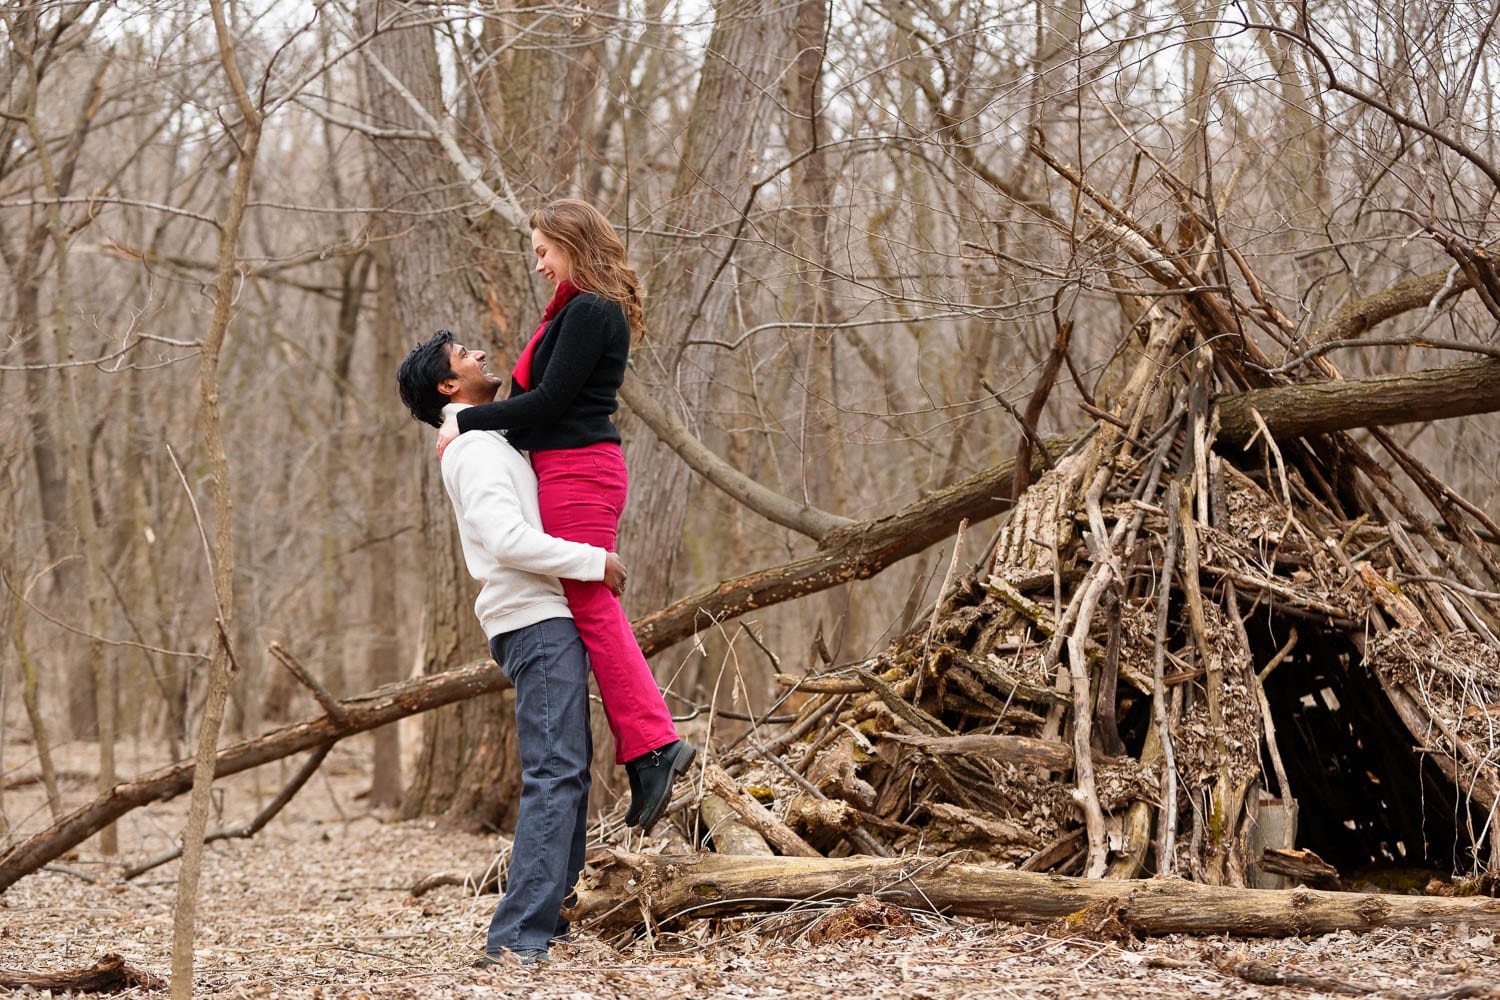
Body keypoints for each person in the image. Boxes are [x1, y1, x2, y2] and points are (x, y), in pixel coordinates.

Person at [435, 198, 694, 833]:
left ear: (572, 244)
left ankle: (655, 746)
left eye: (544, 252)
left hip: (581, 468)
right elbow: (536, 402)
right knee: (588, 604)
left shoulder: (591, 309)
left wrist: (465, 418)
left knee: (593, 603)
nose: (540, 265)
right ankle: (646, 751)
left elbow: (548, 402)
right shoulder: (573, 310)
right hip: (567, 467)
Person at [396, 329, 624, 964]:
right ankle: (516, 938)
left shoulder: (487, 437)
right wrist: (592, 561)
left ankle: (547, 926)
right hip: (531, 618)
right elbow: (505, 539)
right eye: (464, 355)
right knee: (555, 774)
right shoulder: (473, 450)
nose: (479, 354)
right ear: (449, 386)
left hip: (544, 616)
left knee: (569, 775)